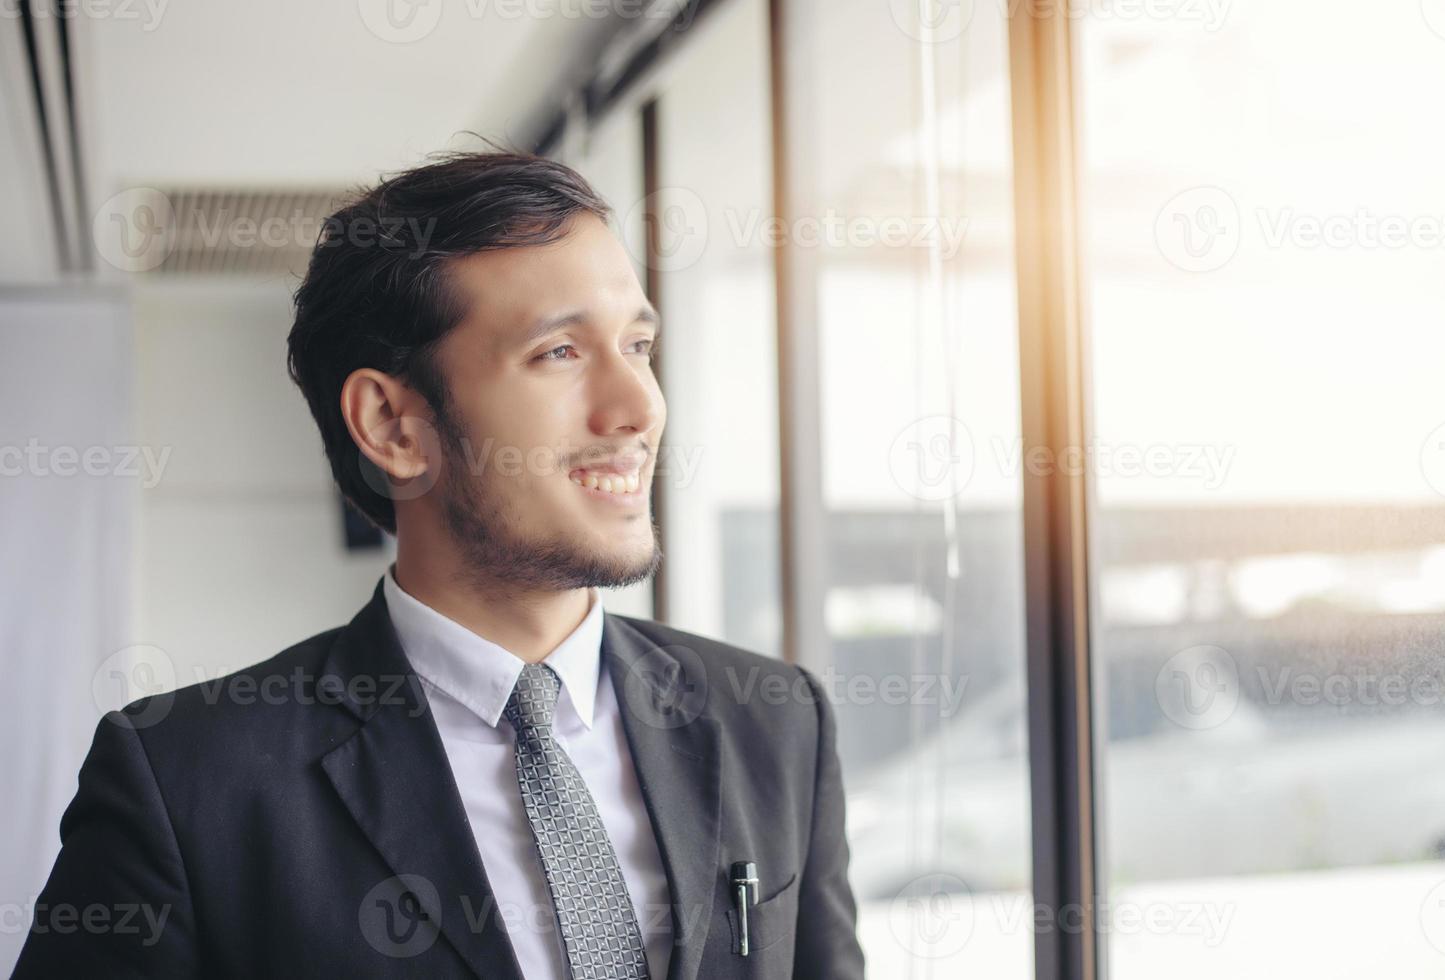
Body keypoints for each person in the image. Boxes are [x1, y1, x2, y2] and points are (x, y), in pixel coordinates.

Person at [13, 150, 865, 979]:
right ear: (392, 425)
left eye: (638, 346)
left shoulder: (776, 722)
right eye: (560, 353)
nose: (640, 406)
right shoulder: (189, 783)